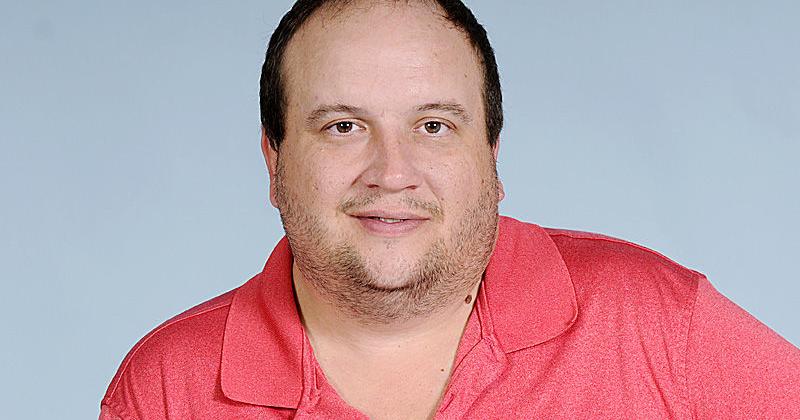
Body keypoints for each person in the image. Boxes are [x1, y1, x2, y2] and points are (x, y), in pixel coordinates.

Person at [100, 0, 800, 418]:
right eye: (343, 126)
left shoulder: (658, 324)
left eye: (433, 125)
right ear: (274, 160)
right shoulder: (168, 390)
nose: (391, 172)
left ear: (491, 156)